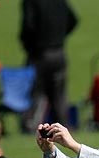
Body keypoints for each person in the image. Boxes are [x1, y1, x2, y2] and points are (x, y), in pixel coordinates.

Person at [20, 0, 78, 131]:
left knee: (36, 91)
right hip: (59, 52)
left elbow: (28, 26)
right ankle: (63, 125)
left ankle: (31, 125)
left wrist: (28, 44)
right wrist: (60, 35)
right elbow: (73, 20)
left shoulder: (31, 3)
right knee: (59, 93)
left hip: (39, 53)